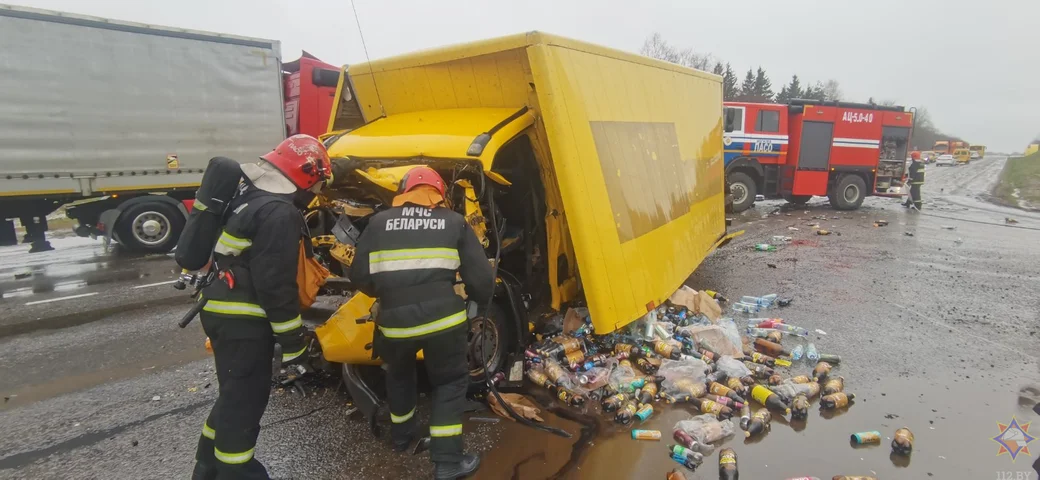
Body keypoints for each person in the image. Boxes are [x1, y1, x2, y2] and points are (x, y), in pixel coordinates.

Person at [192, 134, 331, 480]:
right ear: (307, 175)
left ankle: (206, 468)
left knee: (232, 393)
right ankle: (236, 471)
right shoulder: (280, 213)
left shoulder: (248, 196)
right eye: (317, 183)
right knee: (244, 403)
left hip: (219, 308)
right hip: (244, 322)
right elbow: (275, 287)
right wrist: (295, 344)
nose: (315, 194)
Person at [349, 166, 494, 480]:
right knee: (449, 382)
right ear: (438, 193)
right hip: (444, 322)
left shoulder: (378, 223)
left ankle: (402, 438)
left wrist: (390, 293)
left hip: (394, 323)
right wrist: (478, 302)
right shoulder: (454, 222)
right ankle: (448, 461)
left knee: (399, 375)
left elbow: (359, 275)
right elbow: (482, 279)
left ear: (403, 193)